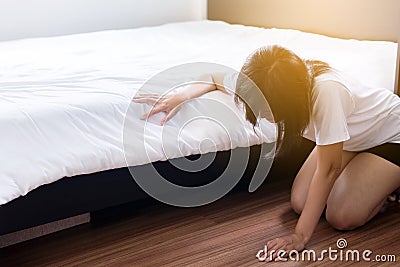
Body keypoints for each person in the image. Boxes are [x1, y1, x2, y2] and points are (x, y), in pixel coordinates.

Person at [133, 45, 400, 260]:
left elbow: (328, 169)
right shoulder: (263, 82)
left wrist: (300, 237)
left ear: (287, 102)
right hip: (349, 140)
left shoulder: (327, 92)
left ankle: (388, 189)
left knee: (341, 216)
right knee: (300, 202)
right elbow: (214, 76)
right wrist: (183, 94)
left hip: (389, 137)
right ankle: (368, 179)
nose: (261, 113)